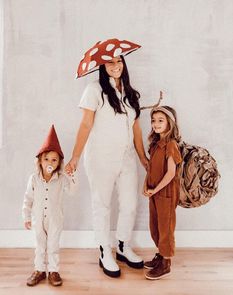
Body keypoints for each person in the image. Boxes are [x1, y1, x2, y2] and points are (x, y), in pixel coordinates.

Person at [65, 54, 148, 278]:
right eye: (110, 62)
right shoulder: (94, 90)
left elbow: (137, 129)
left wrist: (143, 159)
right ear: (103, 67)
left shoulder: (130, 93)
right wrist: (74, 157)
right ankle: (104, 250)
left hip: (127, 157)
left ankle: (122, 245)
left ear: (124, 64)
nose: (115, 66)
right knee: (101, 205)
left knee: (130, 203)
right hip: (101, 157)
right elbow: (85, 124)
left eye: (119, 61)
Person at [22, 125, 77, 287]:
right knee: (40, 245)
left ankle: (53, 271)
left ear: (59, 162)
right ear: (40, 160)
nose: (50, 163)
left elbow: (72, 192)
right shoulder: (34, 179)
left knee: (53, 245)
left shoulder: (61, 179)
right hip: (38, 219)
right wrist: (26, 216)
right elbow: (28, 199)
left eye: (54, 160)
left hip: (55, 219)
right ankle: (39, 270)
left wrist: (73, 177)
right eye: (46, 159)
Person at [143, 106, 182, 280]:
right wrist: (146, 185)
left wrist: (155, 189)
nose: (156, 123)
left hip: (165, 193)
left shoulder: (171, 145)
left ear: (170, 123)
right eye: (153, 120)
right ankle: (160, 254)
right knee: (155, 226)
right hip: (154, 193)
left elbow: (171, 173)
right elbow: (150, 169)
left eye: (161, 120)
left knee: (165, 228)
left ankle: (166, 263)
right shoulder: (154, 145)